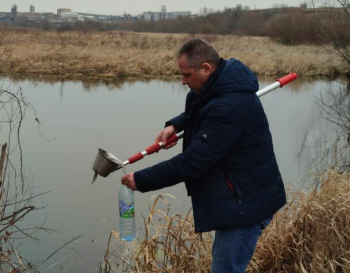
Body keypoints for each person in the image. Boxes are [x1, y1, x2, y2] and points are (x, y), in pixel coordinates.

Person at [121, 38, 286, 272]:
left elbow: (193, 162)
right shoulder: (215, 88)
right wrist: (175, 126)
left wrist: (141, 179)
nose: (183, 81)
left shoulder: (228, 107)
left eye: (187, 75)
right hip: (236, 196)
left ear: (206, 68)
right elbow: (202, 111)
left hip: (245, 205)